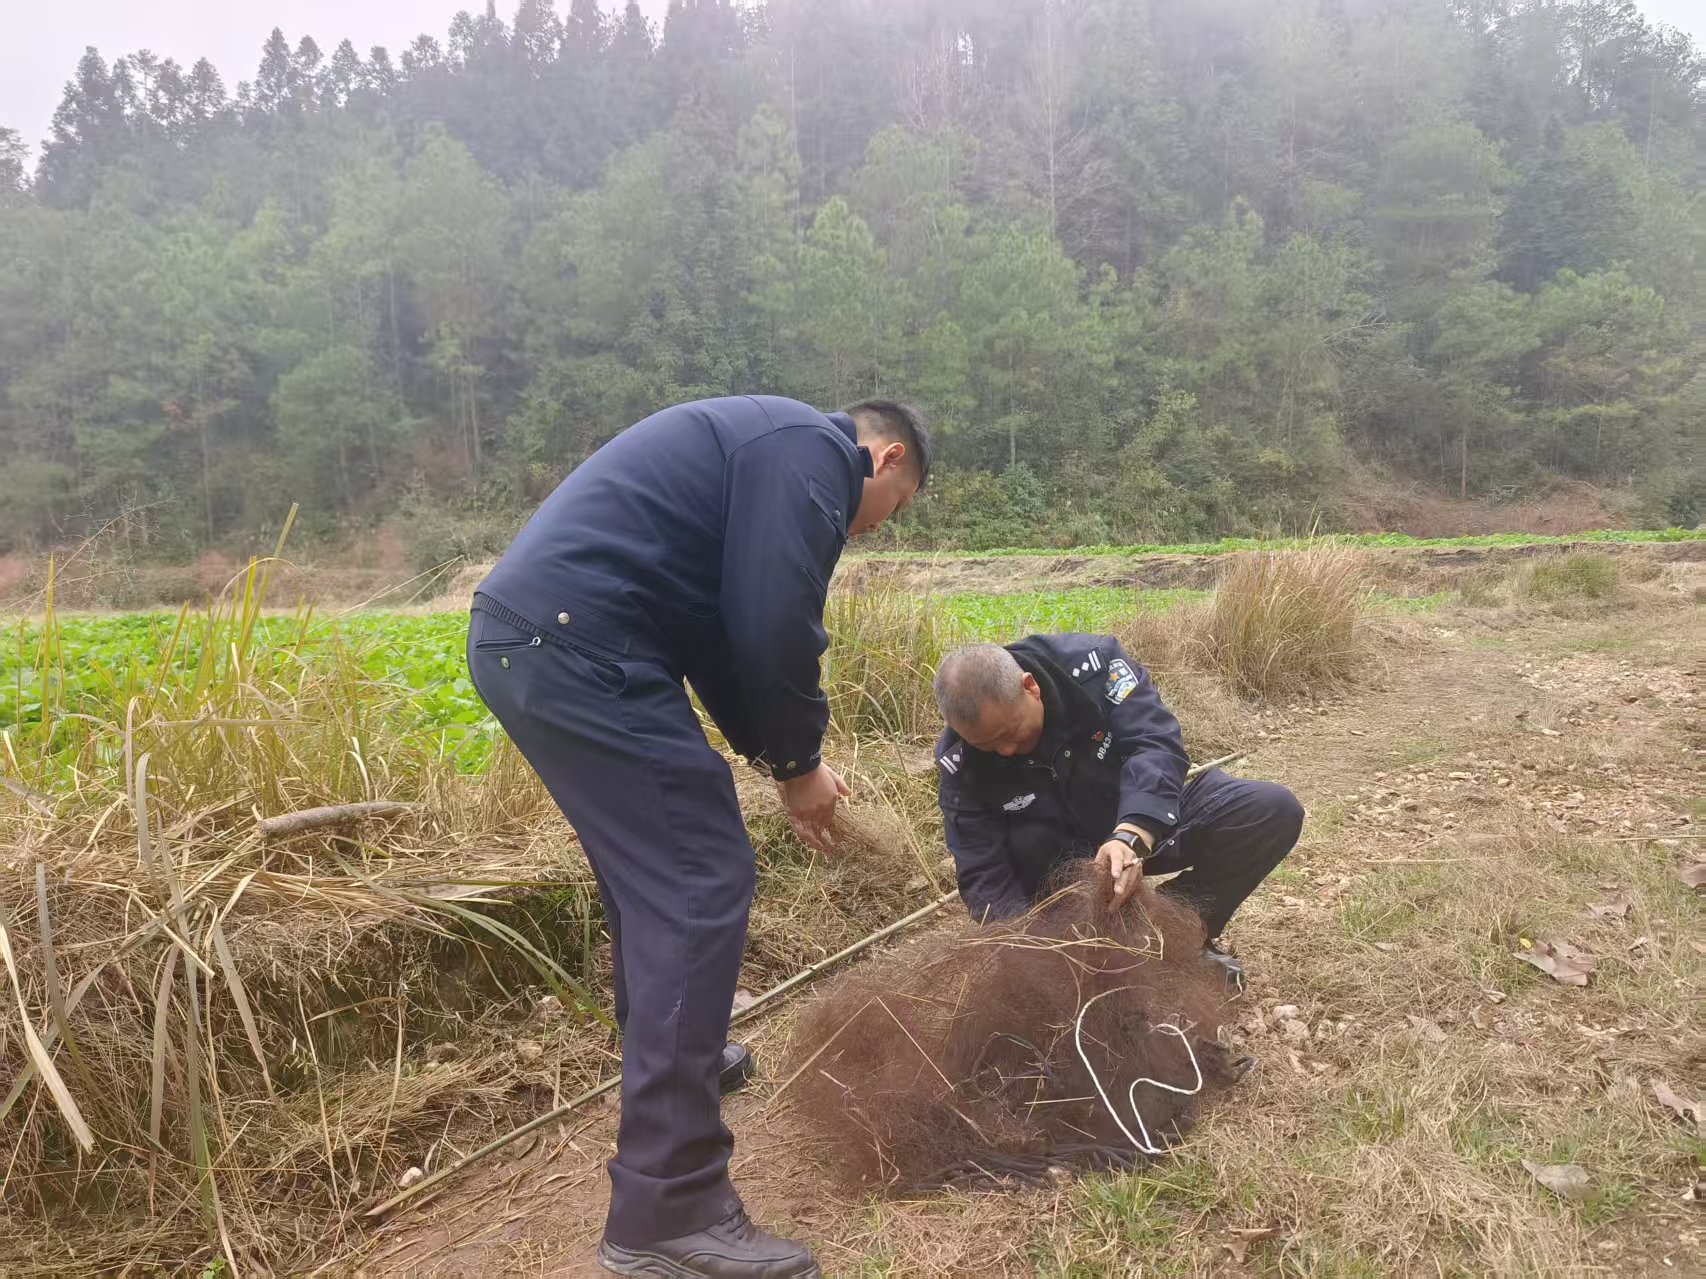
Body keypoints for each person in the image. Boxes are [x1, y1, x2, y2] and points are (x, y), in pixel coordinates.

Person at [467, 396, 928, 1278]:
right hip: (579, 645)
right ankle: (666, 1207)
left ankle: (680, 1047)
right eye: (893, 510)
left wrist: (778, 759)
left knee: (653, 868)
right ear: (885, 457)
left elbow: (723, 638)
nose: (875, 531)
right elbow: (773, 620)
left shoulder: (760, 452)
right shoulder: (814, 453)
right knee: (697, 875)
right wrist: (799, 765)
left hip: (538, 641)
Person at [931, 636, 1301, 987]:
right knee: (1025, 858)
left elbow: (1154, 745)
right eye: (988, 746)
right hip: (1058, 866)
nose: (1006, 751)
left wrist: (1131, 833)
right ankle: (1083, 946)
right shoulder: (959, 762)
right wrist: (1028, 955)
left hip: (1138, 819)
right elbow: (983, 871)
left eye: (1011, 733)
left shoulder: (1096, 667)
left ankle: (1172, 933)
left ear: (1031, 687)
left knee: (1270, 809)